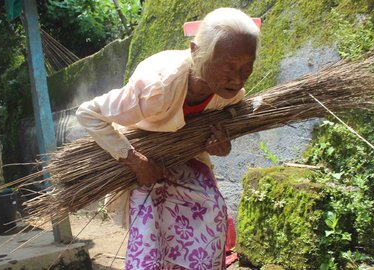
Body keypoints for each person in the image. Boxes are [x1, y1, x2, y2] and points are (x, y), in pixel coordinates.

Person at [76, 7, 259, 270]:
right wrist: (136, 161)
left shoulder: (231, 94)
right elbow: (88, 113)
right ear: (198, 52)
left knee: (214, 211)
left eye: (247, 68)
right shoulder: (157, 88)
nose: (239, 78)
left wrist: (221, 146)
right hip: (143, 161)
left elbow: (216, 130)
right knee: (153, 237)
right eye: (229, 67)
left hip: (183, 159)